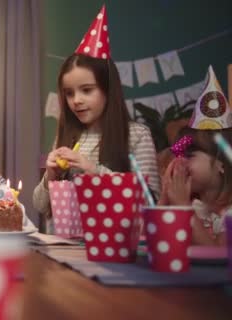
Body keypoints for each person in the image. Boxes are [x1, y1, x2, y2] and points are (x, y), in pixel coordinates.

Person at [32, 6, 160, 232]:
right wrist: (51, 175)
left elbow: (151, 202)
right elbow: (41, 206)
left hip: (114, 246)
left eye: (87, 90)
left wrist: (92, 169)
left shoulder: (136, 135)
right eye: (69, 93)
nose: (76, 100)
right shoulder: (68, 137)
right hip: (66, 246)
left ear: (108, 90)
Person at [158, 66, 232, 246]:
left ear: (220, 163)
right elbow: (152, 239)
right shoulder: (195, 206)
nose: (179, 161)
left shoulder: (228, 213)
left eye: (189, 155)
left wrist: (184, 208)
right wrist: (165, 199)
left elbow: (219, 257)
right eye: (178, 155)